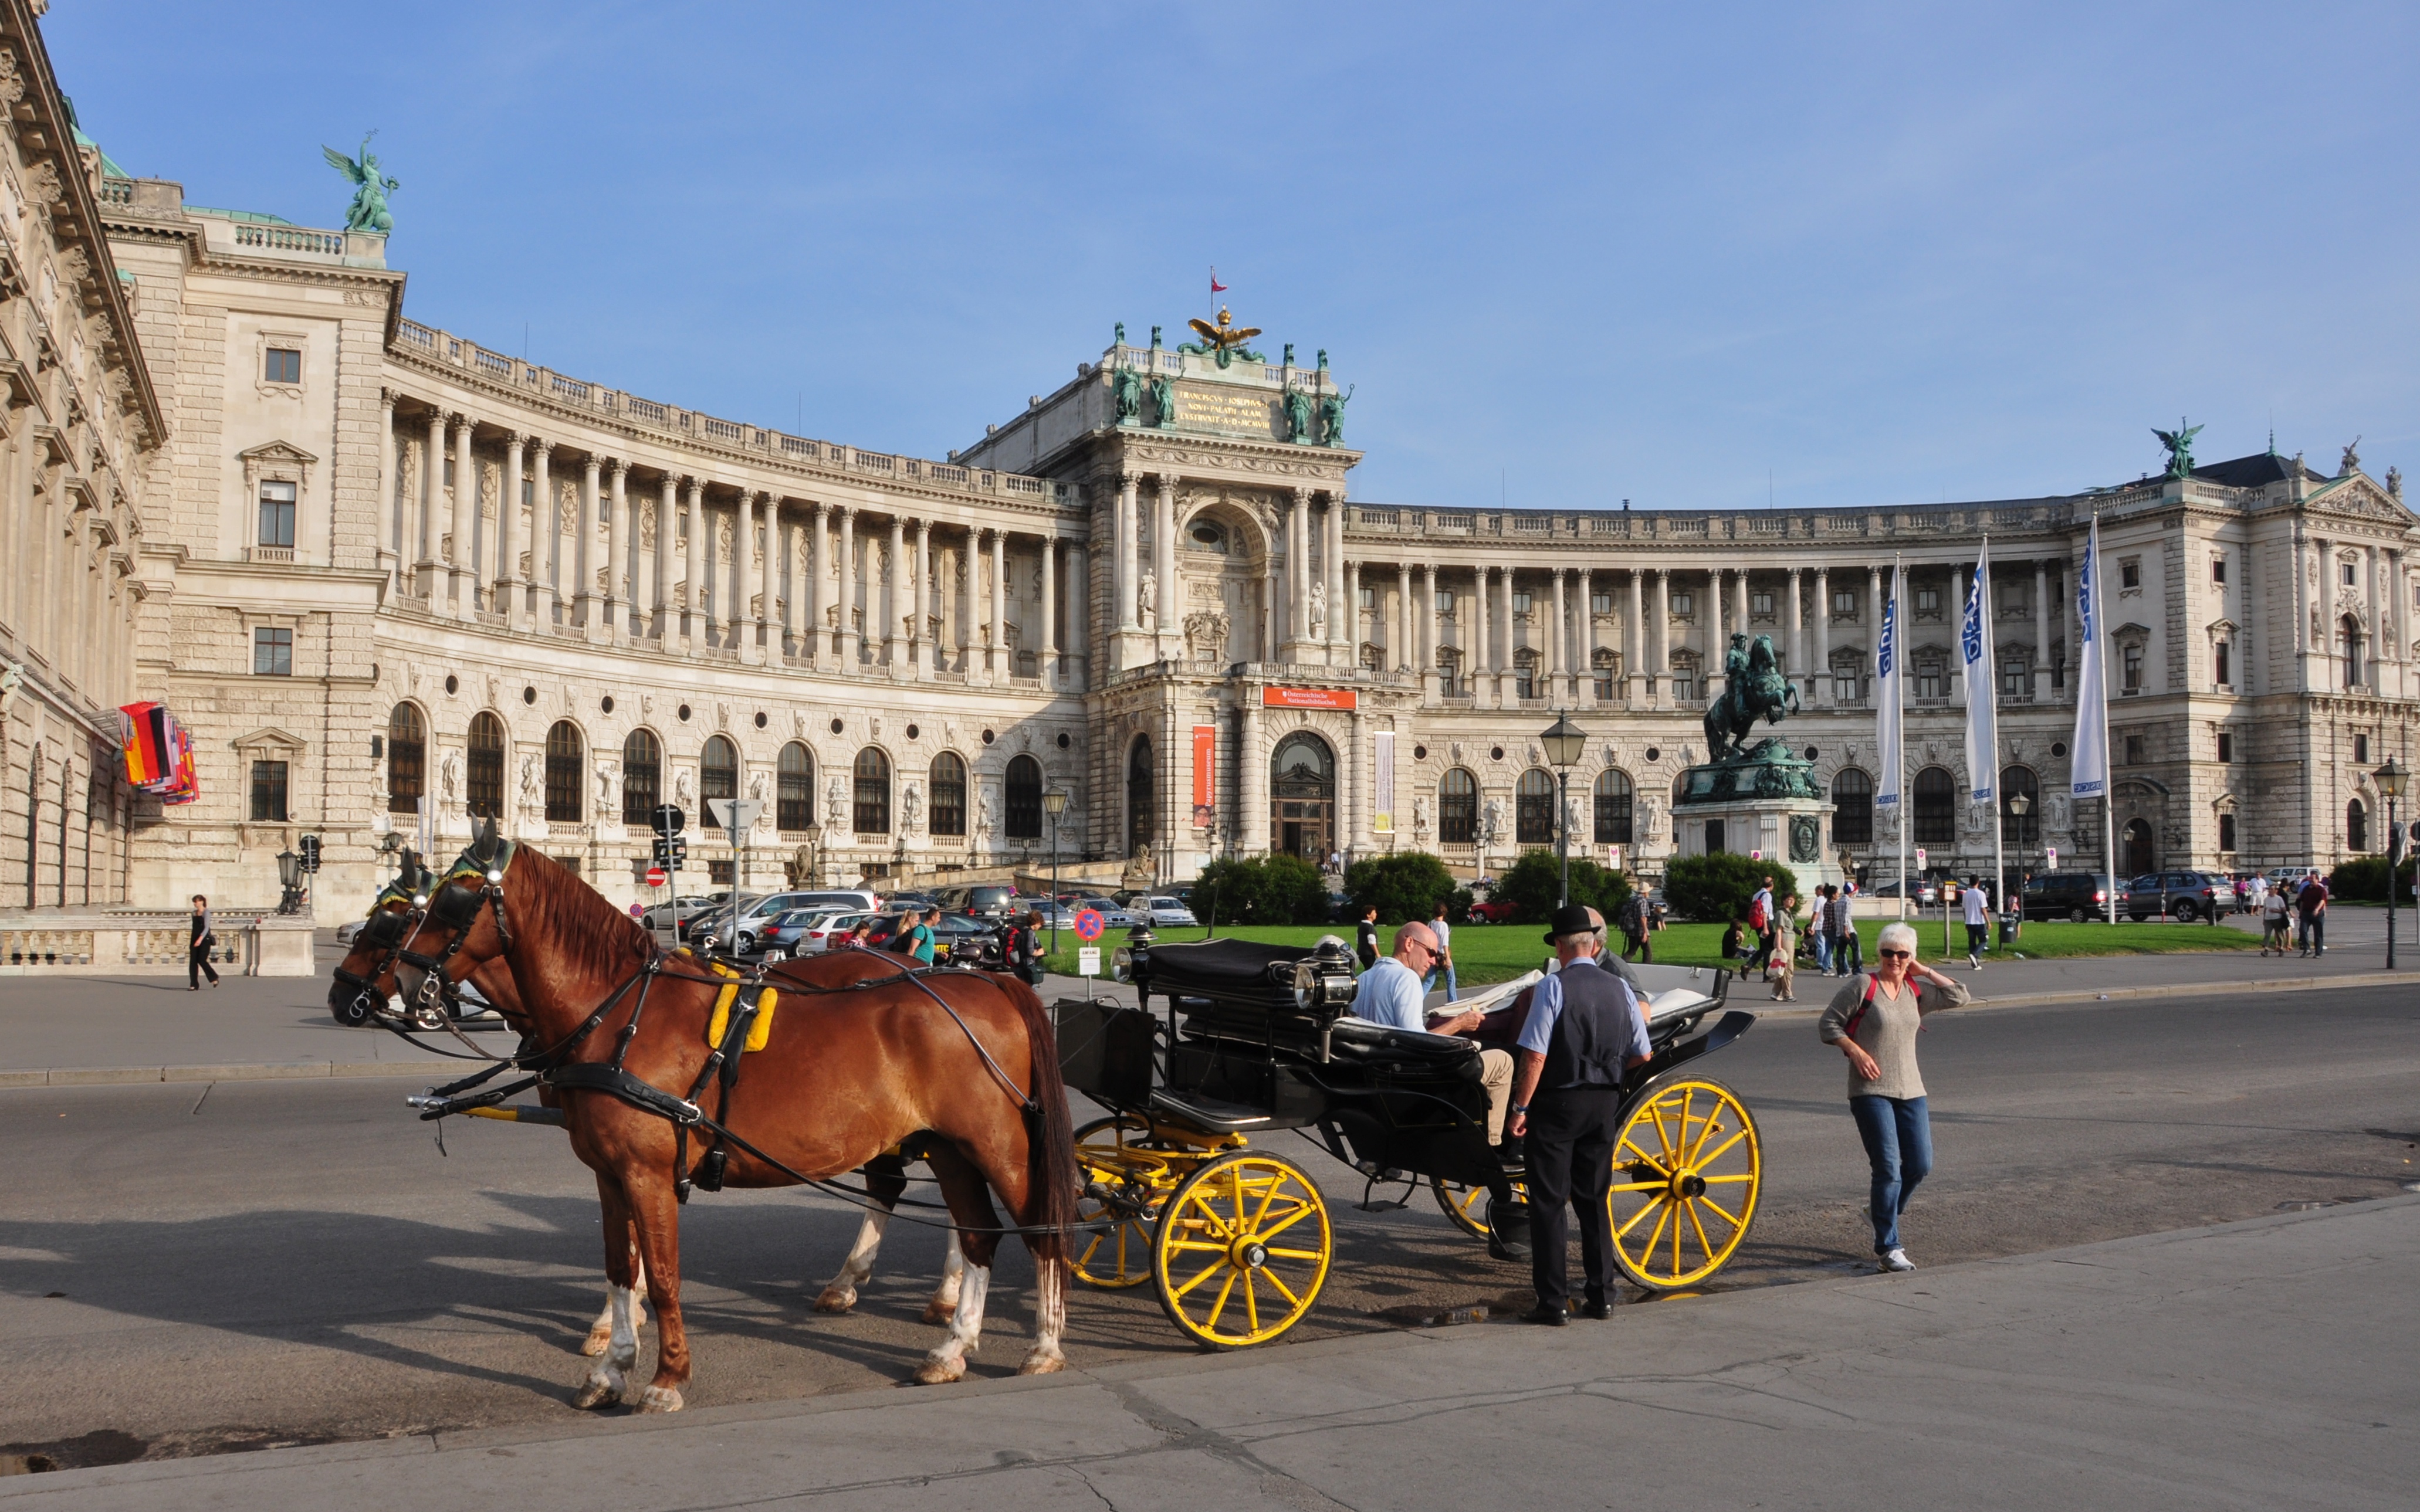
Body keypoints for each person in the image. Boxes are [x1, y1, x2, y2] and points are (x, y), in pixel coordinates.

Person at [1507, 905, 1652, 1322]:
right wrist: (1604, 1072)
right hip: (1602, 1101)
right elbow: (1642, 1052)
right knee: (1593, 1200)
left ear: (1559, 945)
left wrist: (1520, 1108)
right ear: (1593, 944)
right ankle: (1602, 1294)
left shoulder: (1552, 988)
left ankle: (1552, 1303)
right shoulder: (1620, 988)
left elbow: (1534, 1055)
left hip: (1557, 1102)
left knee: (1549, 1204)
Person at [1348, 921, 1523, 1259]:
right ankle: (1495, 1146)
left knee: (1473, 1046)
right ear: (1409, 944)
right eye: (1431, 953)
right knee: (1503, 1060)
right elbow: (1416, 1040)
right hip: (1414, 1078)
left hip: (1380, 1077)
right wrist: (1460, 1024)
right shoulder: (1406, 979)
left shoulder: (1366, 979)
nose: (1435, 961)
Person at [1819, 920, 1972, 1273]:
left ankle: (1879, 1212)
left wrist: (1927, 971)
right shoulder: (1863, 985)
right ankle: (1889, 1247)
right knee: (1888, 1168)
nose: (1895, 960)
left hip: (1912, 1090)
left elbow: (1960, 995)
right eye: (1889, 953)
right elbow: (1829, 1024)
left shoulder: (1915, 992)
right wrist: (1855, 1052)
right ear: (1880, 953)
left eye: (1903, 954)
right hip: (1870, 1090)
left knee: (1920, 1165)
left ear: (1911, 957)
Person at [1740, 875, 1777, 979]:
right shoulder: (1767, 895)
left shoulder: (1756, 895)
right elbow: (1765, 912)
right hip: (1766, 924)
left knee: (1763, 948)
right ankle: (1767, 976)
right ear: (1772, 885)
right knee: (1768, 950)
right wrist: (1766, 927)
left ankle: (1748, 966)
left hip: (1758, 925)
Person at [1424, 899, 1458, 1001]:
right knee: (1451, 980)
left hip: (1434, 955)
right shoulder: (1444, 925)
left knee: (1430, 980)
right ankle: (1453, 1002)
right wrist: (1448, 958)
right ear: (1444, 912)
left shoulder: (1430, 924)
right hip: (1443, 955)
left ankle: (1418, 998)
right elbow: (1444, 943)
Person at [1768, 893, 1799, 1002]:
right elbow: (1779, 930)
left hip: (1790, 940)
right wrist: (1779, 945)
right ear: (1784, 901)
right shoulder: (1781, 913)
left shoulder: (1788, 913)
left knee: (1782, 968)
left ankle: (1775, 992)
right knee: (1788, 968)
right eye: (1789, 900)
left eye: (1793, 900)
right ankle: (1787, 993)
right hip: (1785, 941)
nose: (1791, 902)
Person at [188, 894, 220, 991]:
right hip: (194, 938)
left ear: (202, 902)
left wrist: (200, 939)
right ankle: (194, 984)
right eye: (194, 902)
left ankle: (214, 977)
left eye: (196, 901)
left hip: (204, 939)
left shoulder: (206, 912)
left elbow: (206, 928)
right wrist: (195, 940)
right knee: (193, 962)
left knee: (202, 960)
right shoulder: (194, 913)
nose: (195, 903)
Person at [1616, 887, 1653, 963]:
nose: (1649, 894)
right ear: (1645, 892)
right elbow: (1643, 918)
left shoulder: (1632, 900)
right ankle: (1648, 968)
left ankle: (1619, 965)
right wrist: (1645, 932)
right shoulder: (1643, 901)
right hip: (1640, 930)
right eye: (1648, 892)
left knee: (1631, 951)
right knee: (1648, 952)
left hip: (1631, 929)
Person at [1961, 876, 1991, 968]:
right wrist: (1988, 922)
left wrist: (1966, 921)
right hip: (1979, 922)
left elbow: (1964, 909)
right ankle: (1975, 955)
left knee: (1972, 942)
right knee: (1983, 940)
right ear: (1978, 882)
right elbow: (1983, 909)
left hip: (1969, 922)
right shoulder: (1980, 894)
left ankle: (1975, 963)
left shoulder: (1966, 894)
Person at [2296, 873, 2328, 957]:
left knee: (2318, 934)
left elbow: (2322, 901)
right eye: (2310, 879)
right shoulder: (2306, 889)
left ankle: (2318, 953)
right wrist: (2301, 911)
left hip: (2318, 914)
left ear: (2317, 880)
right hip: (2306, 913)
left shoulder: (2321, 890)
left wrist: (2317, 909)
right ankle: (2307, 949)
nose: (2311, 880)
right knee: (2303, 930)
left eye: (2313, 879)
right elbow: (2302, 901)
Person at [1809, 886, 1836, 977]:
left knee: (1820, 945)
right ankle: (1829, 963)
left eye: (1816, 891)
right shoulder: (1828, 900)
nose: (1815, 893)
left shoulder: (1819, 900)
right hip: (1829, 926)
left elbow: (1816, 913)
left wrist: (1812, 926)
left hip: (1820, 925)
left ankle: (1821, 963)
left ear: (1820, 891)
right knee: (1829, 946)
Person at [2259, 883, 2292, 957]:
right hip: (2268, 919)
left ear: (2276, 891)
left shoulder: (2279, 899)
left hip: (2277, 919)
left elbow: (2284, 910)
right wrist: (2264, 919)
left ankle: (2281, 949)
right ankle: (2266, 950)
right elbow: (2265, 909)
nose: (2270, 891)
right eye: (2269, 889)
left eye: (2272, 889)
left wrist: (2276, 911)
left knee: (2279, 934)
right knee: (2267, 934)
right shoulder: (2266, 899)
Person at [1355, 904, 1380, 971]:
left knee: (1368, 969)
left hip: (1361, 953)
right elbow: (1371, 941)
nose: (1376, 914)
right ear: (1368, 915)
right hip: (1368, 954)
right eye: (1374, 913)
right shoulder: (1369, 927)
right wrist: (1377, 953)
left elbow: (1357, 939)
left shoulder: (1361, 926)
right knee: (1372, 970)